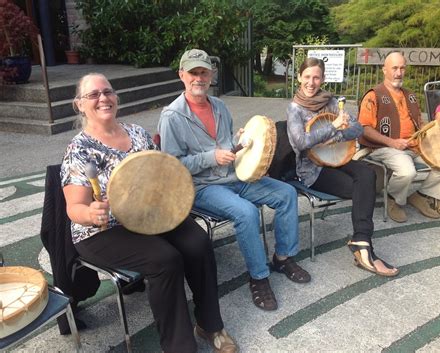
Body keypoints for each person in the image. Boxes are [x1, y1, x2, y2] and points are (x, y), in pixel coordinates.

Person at [61, 73, 237, 353]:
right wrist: (90, 213)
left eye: (108, 92)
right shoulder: (79, 150)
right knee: (164, 259)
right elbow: (74, 208)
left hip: (147, 214)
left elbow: (163, 170)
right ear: (80, 104)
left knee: (197, 241)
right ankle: (179, 347)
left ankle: (209, 324)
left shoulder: (137, 133)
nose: (103, 98)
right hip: (102, 230)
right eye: (93, 95)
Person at [158, 49, 311, 312]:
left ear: (211, 75)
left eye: (203, 72)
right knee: (247, 213)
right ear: (182, 75)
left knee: (286, 193)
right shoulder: (172, 116)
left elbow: (227, 147)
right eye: (193, 72)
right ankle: (258, 277)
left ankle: (282, 257)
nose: (199, 78)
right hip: (204, 186)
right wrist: (210, 157)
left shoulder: (220, 106)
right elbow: (171, 166)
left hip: (234, 176)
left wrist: (242, 143)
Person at [287, 57, 399, 277]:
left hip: (338, 158)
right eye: (307, 77)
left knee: (367, 174)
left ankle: (361, 240)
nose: (311, 82)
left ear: (323, 79)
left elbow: (357, 128)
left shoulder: (331, 101)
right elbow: (300, 142)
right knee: (360, 188)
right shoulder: (295, 109)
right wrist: (332, 127)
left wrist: (337, 133)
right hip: (313, 169)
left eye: (316, 77)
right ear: (299, 77)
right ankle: (365, 248)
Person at [358, 52, 440, 223]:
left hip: (412, 146)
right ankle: (393, 200)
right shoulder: (374, 95)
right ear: (384, 70)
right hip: (383, 147)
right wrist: (392, 142)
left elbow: (418, 122)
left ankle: (421, 195)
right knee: (407, 171)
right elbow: (364, 128)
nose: (398, 72)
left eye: (402, 68)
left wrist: (427, 134)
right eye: (394, 68)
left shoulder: (410, 94)